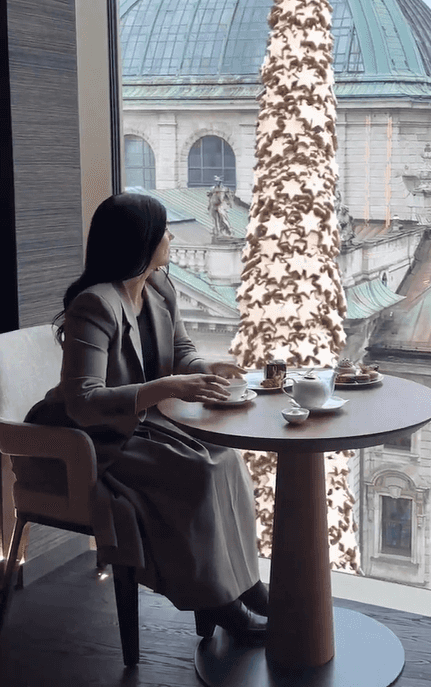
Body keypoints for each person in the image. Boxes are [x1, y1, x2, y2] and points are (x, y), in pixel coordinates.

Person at [12, 193, 269, 645]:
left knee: (224, 456)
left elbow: (181, 353)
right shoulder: (93, 305)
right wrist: (167, 388)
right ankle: (218, 601)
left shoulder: (159, 287)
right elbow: (82, 400)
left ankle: (244, 583)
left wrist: (205, 369)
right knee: (195, 471)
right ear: (141, 242)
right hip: (84, 437)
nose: (171, 236)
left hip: (136, 424)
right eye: (163, 229)